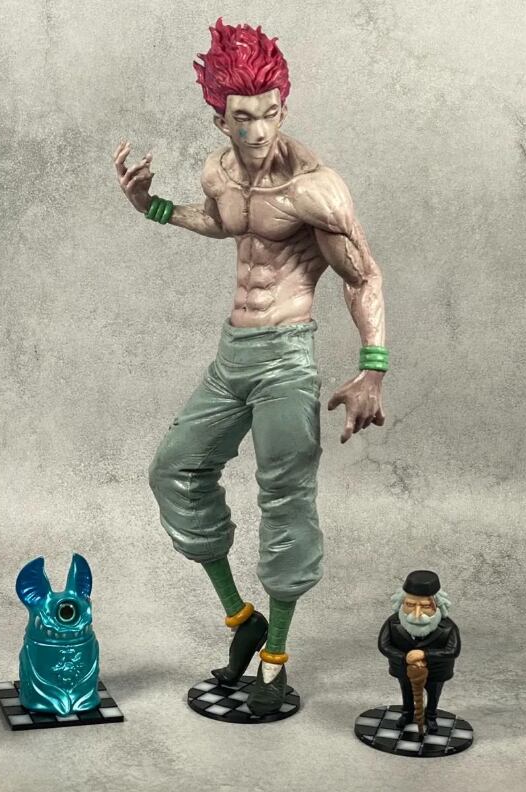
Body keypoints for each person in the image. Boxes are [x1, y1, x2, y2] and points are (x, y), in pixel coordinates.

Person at [114, 17, 388, 715]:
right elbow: (222, 223)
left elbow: (362, 274)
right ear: (220, 120)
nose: (259, 130)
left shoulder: (315, 189)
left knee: (285, 499)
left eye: (269, 113)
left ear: (282, 109)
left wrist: (373, 366)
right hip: (232, 354)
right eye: (244, 117)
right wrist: (154, 208)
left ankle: (276, 660)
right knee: (174, 470)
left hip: (286, 358)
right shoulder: (219, 170)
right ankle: (243, 620)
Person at [378, 570, 461, 732]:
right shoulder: (393, 623)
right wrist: (404, 657)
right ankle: (407, 713)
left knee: (433, 693)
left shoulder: (448, 627)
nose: (417, 614)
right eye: (410, 605)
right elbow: (384, 645)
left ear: (438, 606)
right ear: (402, 603)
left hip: (436, 670)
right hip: (404, 669)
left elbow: (453, 650)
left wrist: (425, 654)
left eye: (425, 606)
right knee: (407, 691)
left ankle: (431, 716)